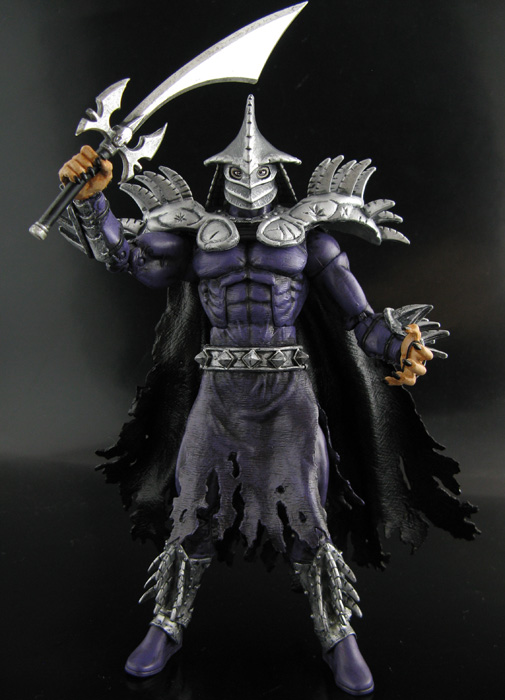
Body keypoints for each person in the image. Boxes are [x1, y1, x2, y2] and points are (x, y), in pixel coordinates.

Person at [58, 95, 477, 696]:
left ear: (278, 172)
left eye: (257, 169)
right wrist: (92, 198)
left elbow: (359, 320)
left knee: (306, 513)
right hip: (218, 388)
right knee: (191, 508)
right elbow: (127, 256)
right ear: (220, 174)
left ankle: (336, 630)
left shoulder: (310, 239)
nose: (248, 176)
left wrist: (401, 346)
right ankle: (167, 622)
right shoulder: (197, 236)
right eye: (236, 170)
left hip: (287, 392)